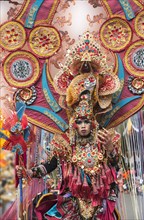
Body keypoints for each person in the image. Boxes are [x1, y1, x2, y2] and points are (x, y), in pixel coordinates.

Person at [16, 88, 121, 220]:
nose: (83, 125)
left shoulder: (104, 140)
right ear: (74, 124)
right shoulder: (64, 143)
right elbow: (50, 165)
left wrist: (110, 148)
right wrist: (29, 173)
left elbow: (115, 166)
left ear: (92, 123)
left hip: (99, 203)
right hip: (73, 202)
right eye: (79, 122)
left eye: (86, 121)